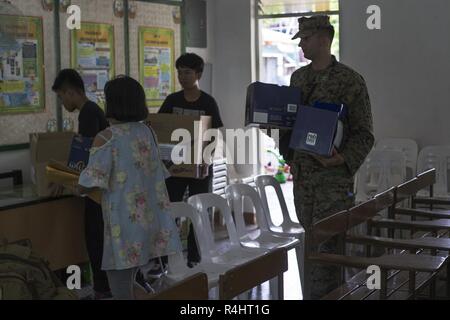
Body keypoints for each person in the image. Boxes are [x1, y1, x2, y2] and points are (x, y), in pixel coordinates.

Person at [288, 16, 374, 299]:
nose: (301, 43)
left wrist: (341, 160)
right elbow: (290, 122)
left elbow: (364, 134)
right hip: (304, 181)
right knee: (311, 246)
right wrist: (285, 148)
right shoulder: (298, 78)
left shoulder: (350, 81)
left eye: (305, 38)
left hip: (333, 184)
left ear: (324, 39)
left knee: (330, 251)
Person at [78, 76, 182, 299]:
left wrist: (70, 181)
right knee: (130, 282)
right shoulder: (147, 133)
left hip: (121, 230)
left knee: (120, 289)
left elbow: (88, 184)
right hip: (146, 224)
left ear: (113, 103)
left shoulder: (106, 138)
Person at [158, 53, 223, 267]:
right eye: (179, 72)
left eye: (187, 72)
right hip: (174, 168)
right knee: (172, 211)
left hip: (200, 167)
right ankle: (168, 260)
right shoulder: (172, 101)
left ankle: (195, 257)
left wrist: (207, 159)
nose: (182, 77)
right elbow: (160, 129)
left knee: (198, 211)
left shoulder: (208, 102)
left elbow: (214, 135)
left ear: (199, 74)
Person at [52, 69, 111, 299]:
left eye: (61, 96)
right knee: (97, 239)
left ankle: (102, 290)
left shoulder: (88, 114)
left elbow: (85, 157)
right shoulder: (91, 110)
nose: (62, 102)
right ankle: (104, 288)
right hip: (97, 188)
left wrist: (65, 180)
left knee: (96, 241)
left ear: (71, 92)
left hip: (96, 192)